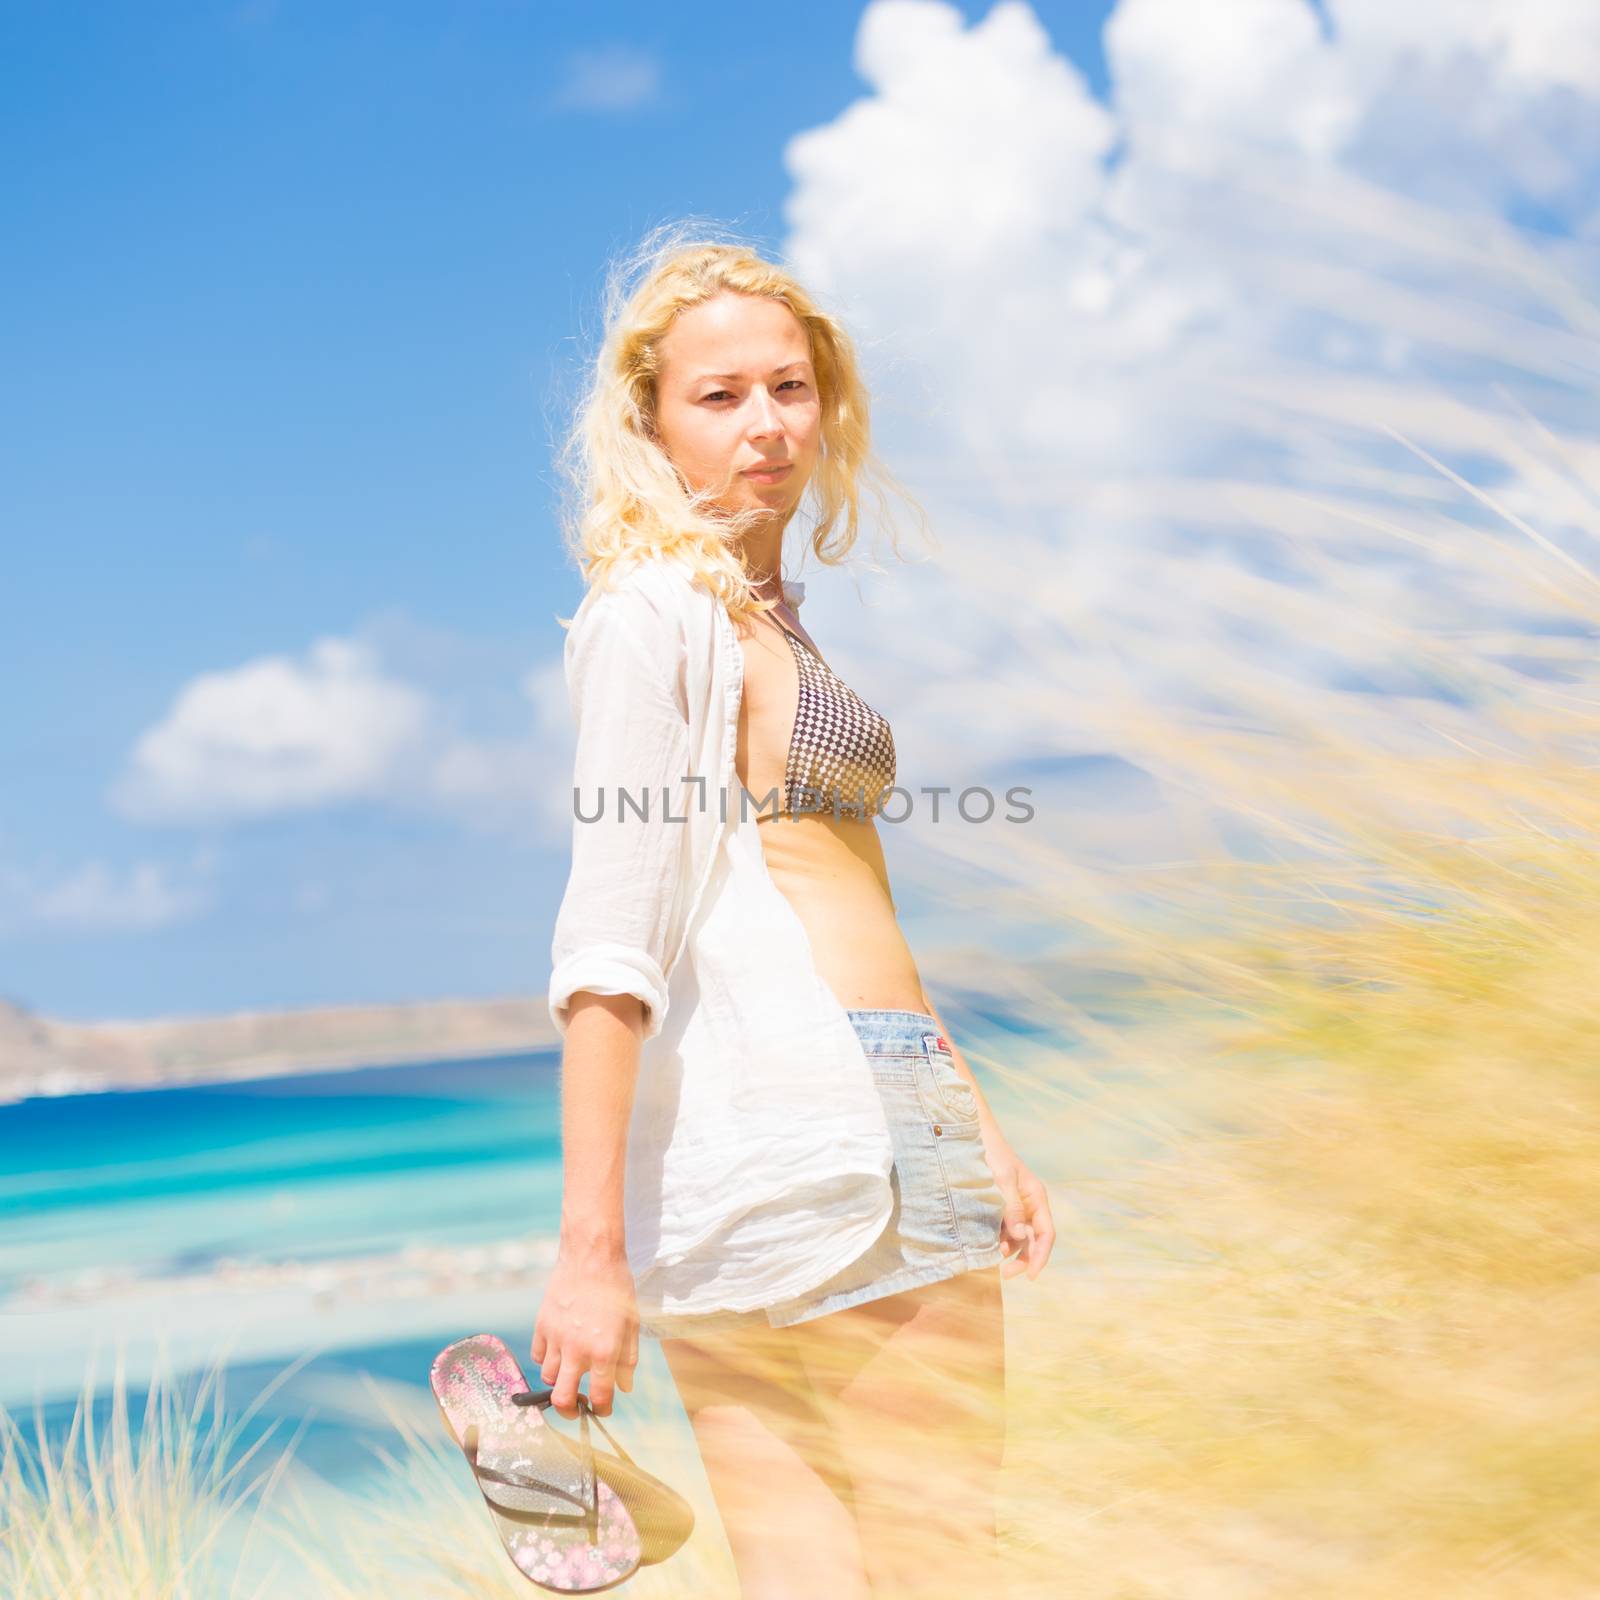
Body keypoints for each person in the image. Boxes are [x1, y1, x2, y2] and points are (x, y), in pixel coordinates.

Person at [533, 225, 1055, 1598]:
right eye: (718, 397)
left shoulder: (764, 618)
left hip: (804, 1135)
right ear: (650, 423)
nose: (765, 425)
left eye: (790, 387)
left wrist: (975, 1116)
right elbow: (609, 942)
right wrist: (587, 1254)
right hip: (840, 1126)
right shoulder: (659, 617)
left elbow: (849, 891)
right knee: (945, 1565)